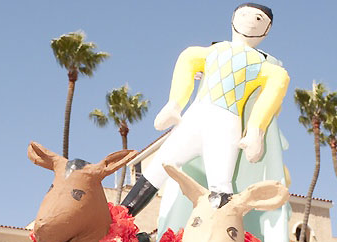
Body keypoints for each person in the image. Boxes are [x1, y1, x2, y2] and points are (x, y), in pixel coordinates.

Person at [121, 3, 289, 216]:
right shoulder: (214, 50)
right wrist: (175, 103)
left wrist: (256, 130)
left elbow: (276, 86)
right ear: (233, 18)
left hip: (226, 125)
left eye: (258, 19)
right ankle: (118, 223)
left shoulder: (266, 65)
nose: (250, 20)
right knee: (158, 168)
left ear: (267, 29)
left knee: (220, 185)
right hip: (195, 118)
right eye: (244, 14)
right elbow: (189, 58)